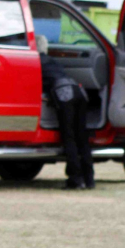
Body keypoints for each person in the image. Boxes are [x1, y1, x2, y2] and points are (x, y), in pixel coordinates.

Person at [38, 35, 94, 190]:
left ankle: (75, 179)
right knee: (82, 136)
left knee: (69, 137)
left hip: (64, 94)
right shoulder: (52, 60)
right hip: (78, 91)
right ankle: (89, 179)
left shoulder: (36, 62)